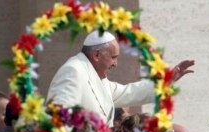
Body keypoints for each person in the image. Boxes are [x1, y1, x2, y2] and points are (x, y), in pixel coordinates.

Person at [46, 30, 195, 127]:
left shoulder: (96, 75)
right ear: (97, 55)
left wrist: (167, 81)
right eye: (113, 58)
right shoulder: (73, 71)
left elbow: (129, 92)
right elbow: (59, 121)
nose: (115, 64)